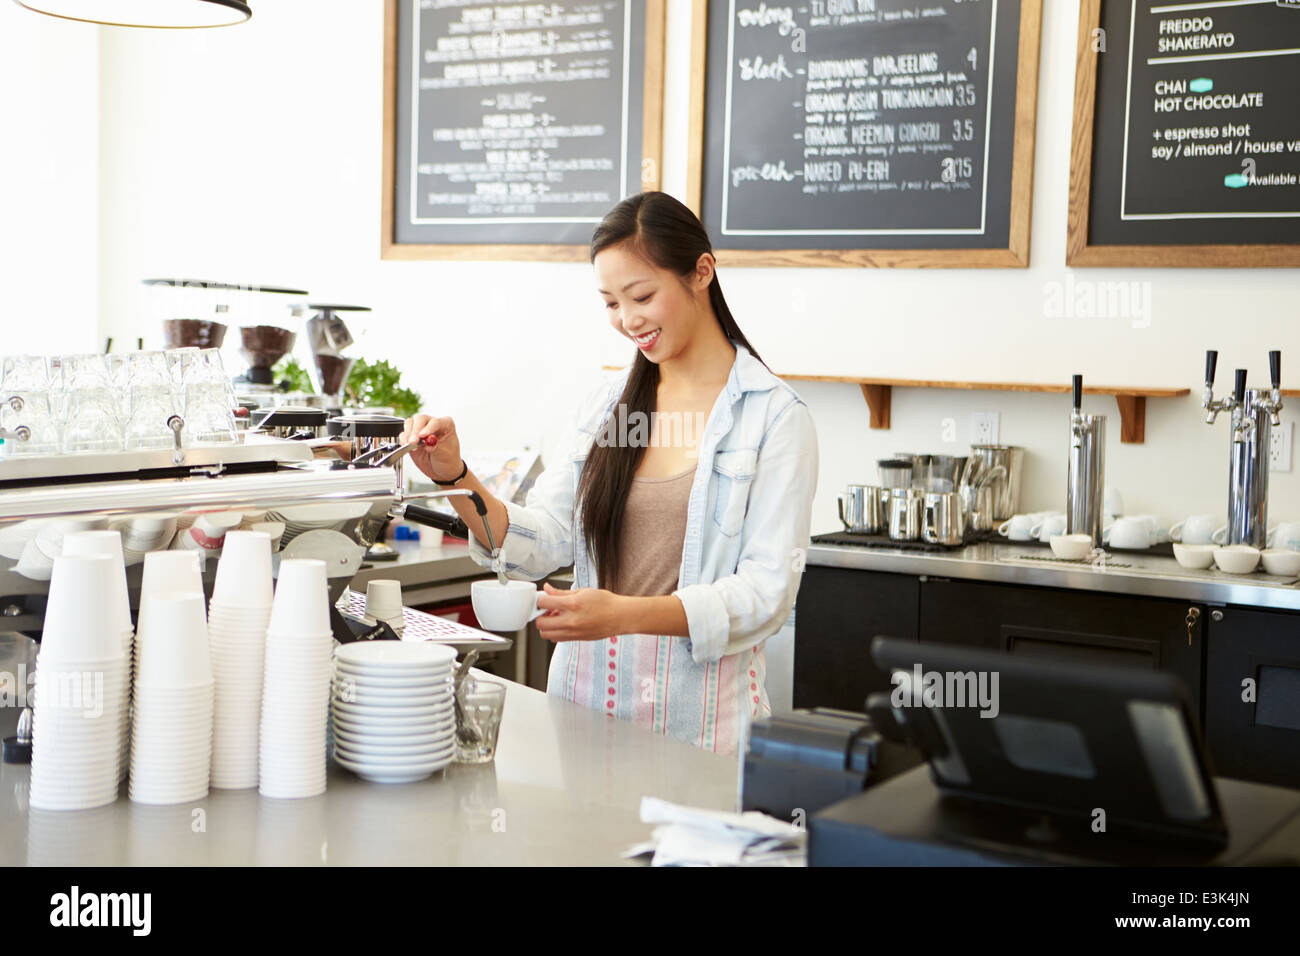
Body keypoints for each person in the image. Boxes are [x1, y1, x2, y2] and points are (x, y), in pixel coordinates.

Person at [402, 191, 818, 755]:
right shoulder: (607, 407)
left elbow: (766, 596)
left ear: (702, 272)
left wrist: (623, 615)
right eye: (610, 304)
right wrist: (457, 478)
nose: (628, 321)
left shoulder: (773, 417)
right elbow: (545, 540)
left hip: (703, 735)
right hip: (583, 721)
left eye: (641, 296)